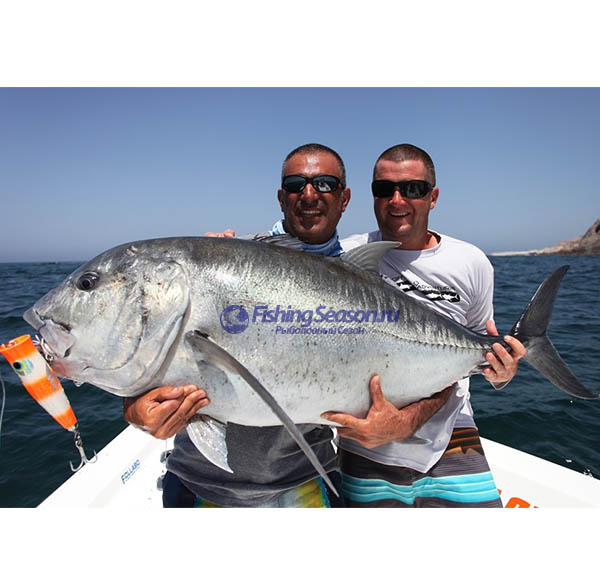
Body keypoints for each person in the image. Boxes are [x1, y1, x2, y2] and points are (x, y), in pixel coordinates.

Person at [124, 143, 352, 507]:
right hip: (200, 484)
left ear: (344, 197)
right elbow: (160, 354)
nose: (309, 194)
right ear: (281, 197)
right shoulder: (227, 260)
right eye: (296, 185)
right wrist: (136, 409)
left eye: (325, 183)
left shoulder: (363, 281)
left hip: (306, 480)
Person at [321, 143, 526, 507]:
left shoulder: (470, 262)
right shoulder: (344, 256)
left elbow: (478, 350)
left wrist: (501, 373)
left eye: (413, 189)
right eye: (384, 189)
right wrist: (221, 248)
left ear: (433, 197)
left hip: (451, 436)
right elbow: (281, 263)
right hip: (367, 442)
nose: (397, 200)